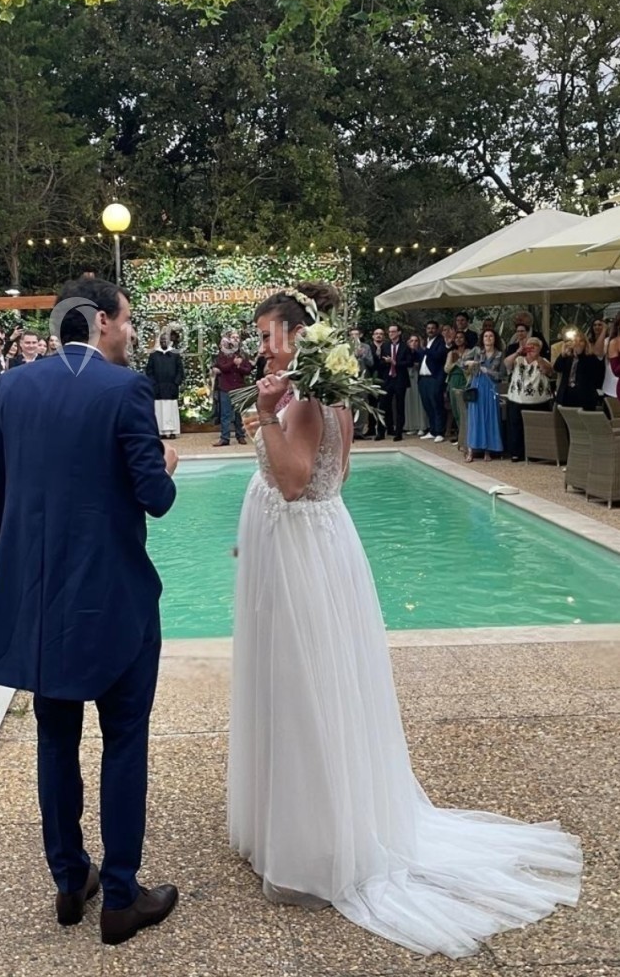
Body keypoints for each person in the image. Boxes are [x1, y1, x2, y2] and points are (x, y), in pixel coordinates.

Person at [228, 281, 581, 959]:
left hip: (303, 554)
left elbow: (296, 483)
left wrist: (266, 418)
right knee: (310, 683)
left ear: (299, 338)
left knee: (304, 686)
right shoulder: (327, 395)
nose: (261, 347)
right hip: (313, 545)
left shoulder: (307, 400)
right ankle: (308, 823)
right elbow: (337, 476)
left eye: (268, 336)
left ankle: (313, 845)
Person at [0, 278, 180, 946]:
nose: (130, 332)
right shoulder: (126, 390)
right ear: (100, 321)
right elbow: (155, 499)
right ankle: (120, 896)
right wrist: (166, 463)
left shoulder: (12, 388)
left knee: (55, 739)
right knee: (124, 739)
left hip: (41, 601)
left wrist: (15, 577)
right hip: (114, 598)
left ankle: (70, 881)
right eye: (127, 320)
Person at [504, 337, 555, 461]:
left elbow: (548, 370)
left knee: (537, 428)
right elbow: (506, 363)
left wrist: (537, 357)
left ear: (540, 348)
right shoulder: (518, 360)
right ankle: (517, 453)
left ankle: (536, 453)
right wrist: (518, 352)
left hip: (538, 401)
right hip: (517, 399)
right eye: (529, 345)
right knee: (516, 428)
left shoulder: (543, 360)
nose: (532, 347)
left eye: (535, 345)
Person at [461, 329, 505, 462]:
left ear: (495, 338)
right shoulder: (477, 351)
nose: (488, 338)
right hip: (477, 386)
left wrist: (488, 371)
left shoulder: (500, 354)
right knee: (474, 418)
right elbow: (462, 363)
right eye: (486, 336)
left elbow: (501, 375)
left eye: (491, 336)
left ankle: (488, 450)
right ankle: (471, 450)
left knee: (489, 417)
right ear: (482, 338)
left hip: (491, 388)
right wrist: (468, 363)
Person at [212, 332, 252, 447]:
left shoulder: (243, 354)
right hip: (225, 388)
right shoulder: (222, 354)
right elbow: (222, 367)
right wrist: (233, 363)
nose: (235, 340)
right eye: (232, 338)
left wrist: (239, 366)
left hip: (239, 387)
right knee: (225, 414)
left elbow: (248, 369)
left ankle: (240, 436)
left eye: (237, 338)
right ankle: (225, 438)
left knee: (239, 413)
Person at [145, 332, 185, 439]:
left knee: (171, 409)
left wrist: (176, 383)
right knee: (159, 409)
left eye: (165, 340)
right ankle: (161, 431)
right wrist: (153, 383)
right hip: (158, 387)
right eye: (162, 340)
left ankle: (172, 431)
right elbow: (149, 371)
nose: (163, 342)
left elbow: (180, 370)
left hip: (171, 386)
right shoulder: (154, 355)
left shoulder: (175, 354)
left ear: (169, 341)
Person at [553, 333, 603, 412]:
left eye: (581, 341)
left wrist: (579, 354)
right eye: (575, 341)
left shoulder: (591, 357)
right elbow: (557, 368)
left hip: (585, 396)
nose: (577, 343)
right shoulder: (567, 356)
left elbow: (595, 374)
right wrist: (562, 355)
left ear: (585, 344)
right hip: (567, 394)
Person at [416, 319, 448, 442]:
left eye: (433, 328)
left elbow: (439, 356)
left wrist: (425, 349)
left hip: (434, 378)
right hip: (423, 378)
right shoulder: (426, 341)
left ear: (437, 329)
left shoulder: (441, 341)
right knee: (427, 405)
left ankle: (440, 432)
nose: (430, 330)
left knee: (437, 404)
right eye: (428, 328)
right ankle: (432, 430)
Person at [380, 323, 411, 442]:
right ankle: (382, 432)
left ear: (399, 332)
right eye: (389, 332)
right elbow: (380, 362)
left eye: (393, 331)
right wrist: (387, 362)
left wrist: (395, 363)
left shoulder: (405, 346)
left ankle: (398, 433)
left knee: (399, 406)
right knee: (384, 405)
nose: (391, 334)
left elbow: (409, 362)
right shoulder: (385, 346)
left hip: (400, 379)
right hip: (387, 379)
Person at [403, 335, 428, 436]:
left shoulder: (422, 352)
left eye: (416, 340)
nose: (413, 343)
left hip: (419, 377)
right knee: (409, 402)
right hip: (407, 377)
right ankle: (412, 426)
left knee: (420, 402)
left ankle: (422, 426)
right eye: (411, 340)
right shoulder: (405, 352)